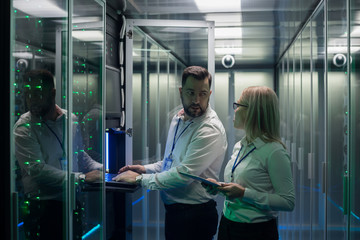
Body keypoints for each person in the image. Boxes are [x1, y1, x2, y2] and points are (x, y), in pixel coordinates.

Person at [113, 66, 228, 240]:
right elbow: (171, 162)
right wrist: (145, 169)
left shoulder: (209, 129)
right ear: (181, 92)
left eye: (203, 94)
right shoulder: (178, 119)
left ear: (209, 94)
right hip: (175, 213)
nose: (196, 100)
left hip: (195, 217)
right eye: (191, 93)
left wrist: (139, 179)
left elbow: (183, 175)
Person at [14, 69, 102, 239]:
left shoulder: (71, 120)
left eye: (37, 93)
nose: (31, 99)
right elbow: (37, 170)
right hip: (41, 210)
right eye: (28, 93)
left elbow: (79, 154)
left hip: (71, 202)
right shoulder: (23, 128)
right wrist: (81, 178)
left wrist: (105, 170)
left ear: (52, 93)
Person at [204, 86, 295, 240]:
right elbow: (239, 186)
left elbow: (287, 202)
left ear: (253, 111)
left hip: (256, 232)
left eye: (238, 105)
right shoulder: (241, 145)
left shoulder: (274, 151)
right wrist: (220, 187)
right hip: (227, 224)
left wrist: (244, 193)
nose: (235, 109)